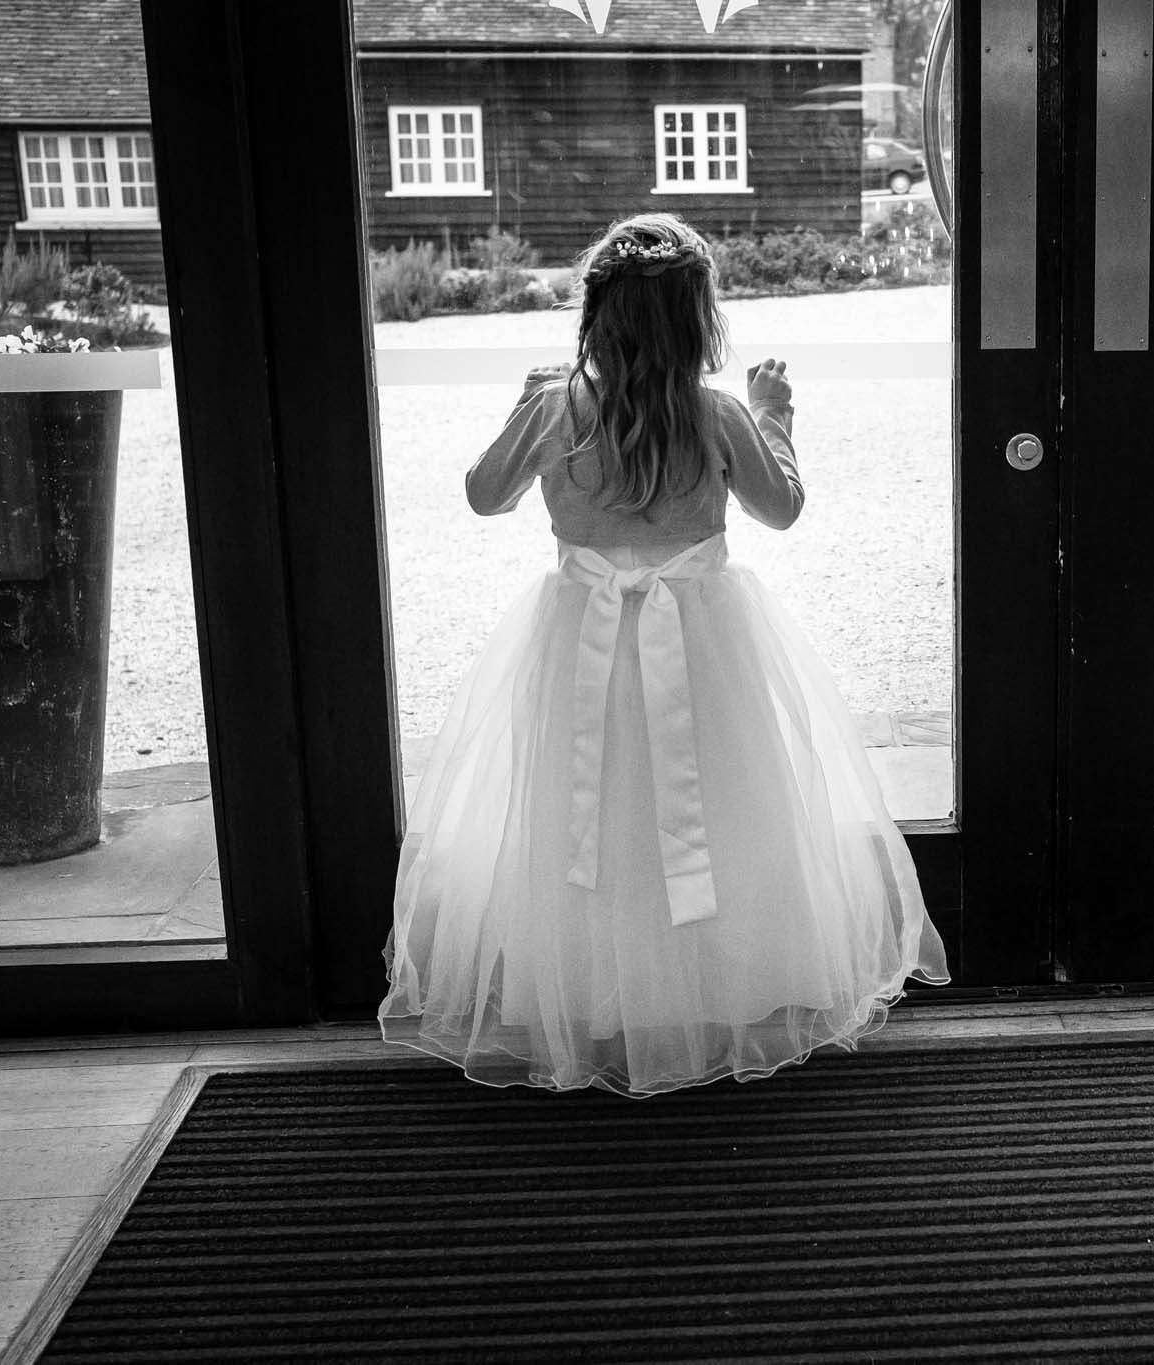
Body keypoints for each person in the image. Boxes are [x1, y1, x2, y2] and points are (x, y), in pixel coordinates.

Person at [379, 212, 949, 1097]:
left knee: (589, 809)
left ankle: (589, 990)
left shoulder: (555, 412)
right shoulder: (718, 415)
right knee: (714, 807)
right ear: (698, 323)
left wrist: (524, 406)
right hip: (704, 642)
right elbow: (782, 507)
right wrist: (775, 415)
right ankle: (716, 986)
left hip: (580, 642)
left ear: (593, 318)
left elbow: (484, 495)